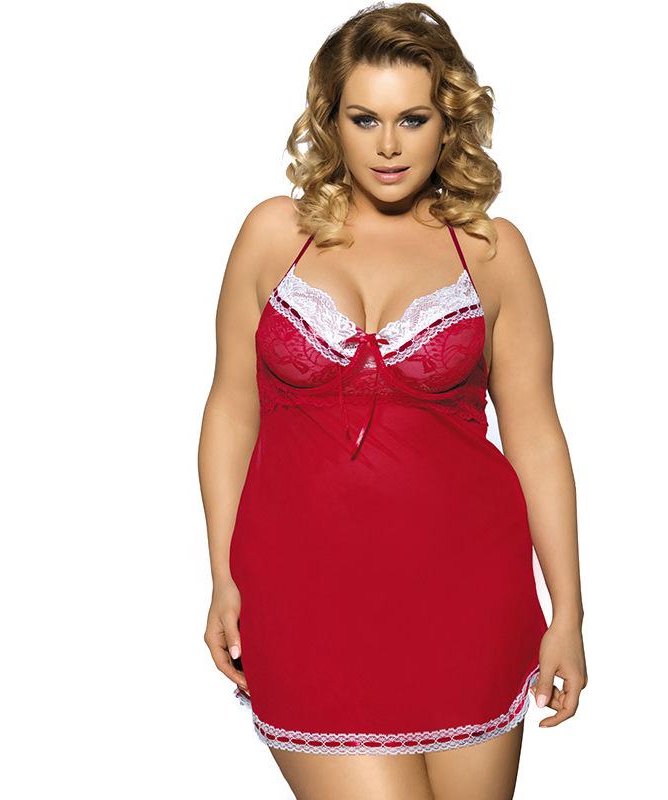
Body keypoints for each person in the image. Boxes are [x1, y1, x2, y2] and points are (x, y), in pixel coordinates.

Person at [199, 3, 586, 798]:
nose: (388, 145)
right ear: (331, 120)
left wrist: (569, 613)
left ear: (449, 124)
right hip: (303, 601)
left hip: (468, 598)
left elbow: (536, 437)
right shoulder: (274, 234)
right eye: (364, 118)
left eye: (413, 118)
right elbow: (231, 410)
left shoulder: (492, 250)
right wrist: (222, 574)